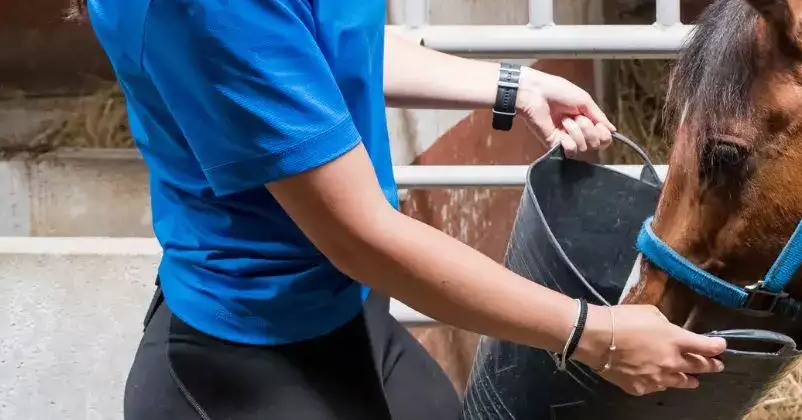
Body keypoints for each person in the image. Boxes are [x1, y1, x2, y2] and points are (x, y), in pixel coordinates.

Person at [73, 0, 727, 418]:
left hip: (348, 315)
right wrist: (592, 335)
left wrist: (512, 84)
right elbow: (360, 237)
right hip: (246, 355)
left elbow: (325, 43)